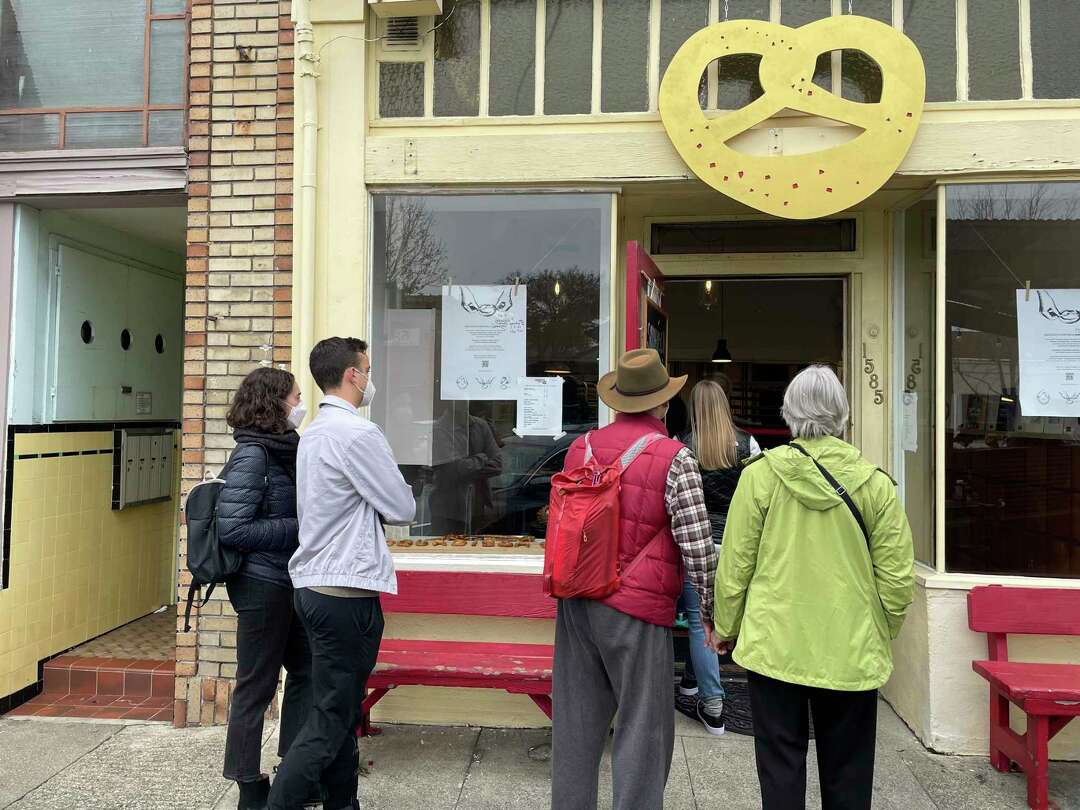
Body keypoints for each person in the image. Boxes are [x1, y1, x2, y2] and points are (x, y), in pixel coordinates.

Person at [713, 365, 915, 810]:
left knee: (780, 767)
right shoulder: (876, 485)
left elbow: (735, 565)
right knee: (849, 771)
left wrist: (724, 626)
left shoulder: (760, 476)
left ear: (789, 414)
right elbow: (898, 579)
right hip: (851, 647)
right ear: (842, 416)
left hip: (775, 644)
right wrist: (882, 628)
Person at [551, 348, 717, 810]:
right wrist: (710, 612)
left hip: (577, 600)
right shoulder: (675, 457)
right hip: (637, 611)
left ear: (618, 401)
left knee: (576, 726)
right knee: (643, 729)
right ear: (662, 404)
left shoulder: (580, 447)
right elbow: (698, 547)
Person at [268, 337, 416, 810]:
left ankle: (342, 803)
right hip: (345, 593)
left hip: (314, 586)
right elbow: (400, 507)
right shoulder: (358, 434)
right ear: (352, 375)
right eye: (367, 369)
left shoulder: (313, 431)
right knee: (330, 718)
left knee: (339, 709)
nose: (370, 377)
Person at [216, 367, 313, 810]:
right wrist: (301, 528)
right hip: (261, 585)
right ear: (275, 403)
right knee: (256, 685)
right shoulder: (253, 454)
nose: (300, 404)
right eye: (295, 397)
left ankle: (295, 773)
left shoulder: (284, 450)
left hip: (286, 580)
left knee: (307, 672)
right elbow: (234, 528)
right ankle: (249, 787)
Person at [675, 379, 760, 735]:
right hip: (734, 544)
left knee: (698, 621)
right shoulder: (748, 444)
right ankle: (692, 686)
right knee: (713, 617)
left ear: (694, 408)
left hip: (696, 542)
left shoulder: (682, 446)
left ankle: (712, 703)